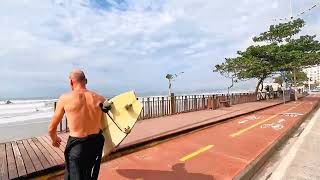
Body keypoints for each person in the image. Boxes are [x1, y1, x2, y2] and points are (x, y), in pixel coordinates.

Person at [48, 69, 106, 180]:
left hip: (77, 147)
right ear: (86, 81)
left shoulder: (65, 98)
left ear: (71, 82)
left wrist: (54, 139)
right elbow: (108, 123)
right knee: (88, 174)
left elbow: (51, 128)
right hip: (95, 146)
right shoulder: (100, 98)